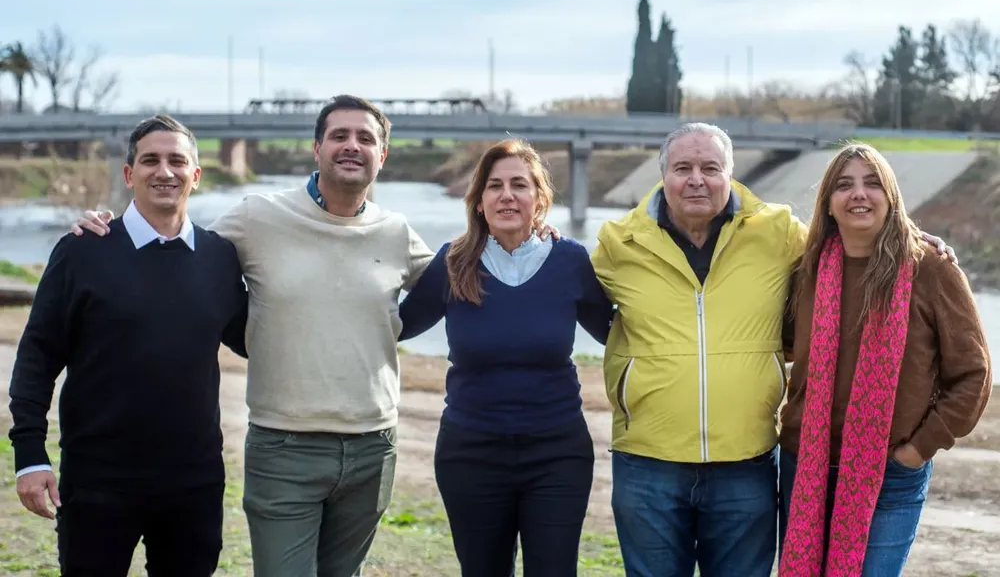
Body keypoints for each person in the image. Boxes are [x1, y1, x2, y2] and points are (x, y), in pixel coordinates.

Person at [68, 95, 561, 577]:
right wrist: (109, 230)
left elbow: (468, 278)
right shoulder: (258, 216)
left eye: (365, 138)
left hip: (374, 448)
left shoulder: (396, 230)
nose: (352, 145)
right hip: (285, 447)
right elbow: (177, 246)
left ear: (381, 155)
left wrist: (539, 237)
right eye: (339, 135)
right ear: (317, 148)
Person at [589, 123, 956, 577]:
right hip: (648, 465)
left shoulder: (778, 230)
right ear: (662, 174)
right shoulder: (616, 243)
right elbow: (581, 304)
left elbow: (854, 230)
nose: (696, 179)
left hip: (745, 464)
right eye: (683, 168)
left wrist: (917, 236)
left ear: (731, 173)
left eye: (710, 167)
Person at [8, 114, 249, 576]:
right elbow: (37, 358)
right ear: (128, 174)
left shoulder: (220, 257)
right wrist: (29, 456)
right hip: (98, 480)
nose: (164, 171)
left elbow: (252, 339)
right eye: (150, 160)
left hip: (193, 482)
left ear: (195, 176)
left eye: (177, 161)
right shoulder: (83, 249)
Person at [397, 138, 613, 576]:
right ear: (479, 201)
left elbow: (618, 333)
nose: (507, 195)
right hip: (470, 453)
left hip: (557, 453)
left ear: (539, 199)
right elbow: (394, 326)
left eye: (520, 184)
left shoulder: (570, 260)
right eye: (494, 186)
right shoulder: (454, 261)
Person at [777, 143, 992, 577]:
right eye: (844, 185)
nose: (859, 194)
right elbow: (782, 344)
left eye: (872, 183)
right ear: (828, 204)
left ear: (891, 196)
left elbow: (973, 375)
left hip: (891, 471)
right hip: (806, 464)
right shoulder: (807, 270)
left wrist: (917, 450)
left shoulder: (930, 268)